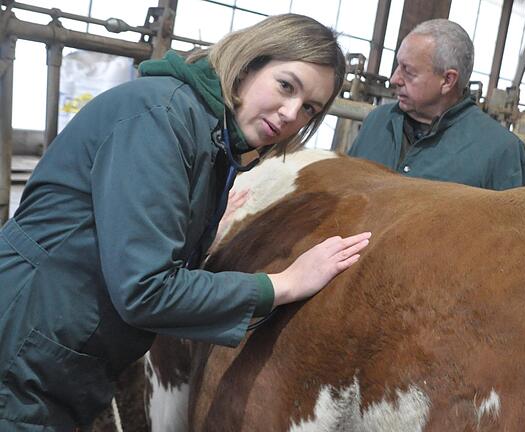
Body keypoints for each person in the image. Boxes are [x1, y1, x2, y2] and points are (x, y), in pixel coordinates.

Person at [0, 14, 370, 431]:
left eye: (309, 108)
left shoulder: (209, 134)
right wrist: (283, 284)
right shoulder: (161, 118)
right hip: (23, 347)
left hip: (58, 352)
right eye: (286, 85)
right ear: (248, 65)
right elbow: (145, 289)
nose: (290, 114)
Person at [348, 19, 525, 191]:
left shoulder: (502, 151)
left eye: (408, 71)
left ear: (447, 80)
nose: (394, 78)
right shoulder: (377, 121)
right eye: (398, 66)